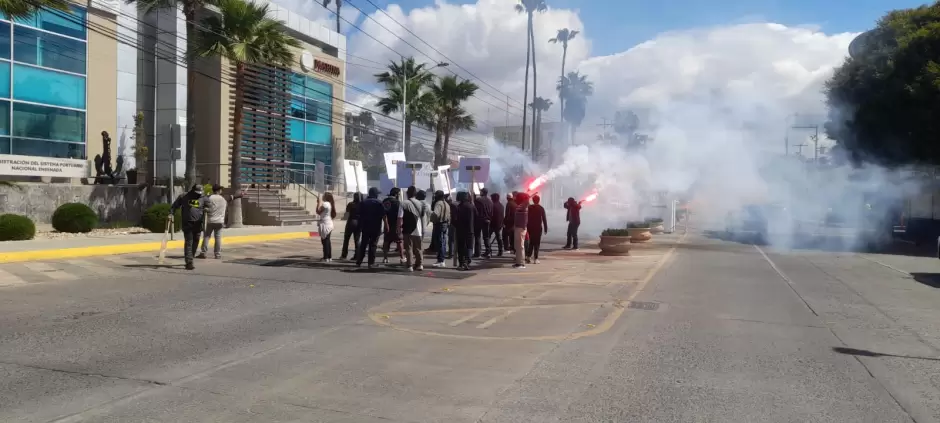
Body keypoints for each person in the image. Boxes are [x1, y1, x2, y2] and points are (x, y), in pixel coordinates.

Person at [197, 184, 243, 260]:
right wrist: (240, 195)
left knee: (207, 237)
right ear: (219, 190)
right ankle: (217, 254)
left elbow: (202, 204)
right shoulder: (224, 198)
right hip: (220, 221)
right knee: (218, 238)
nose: (222, 191)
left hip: (210, 221)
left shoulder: (209, 198)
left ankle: (203, 253)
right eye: (221, 189)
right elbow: (233, 197)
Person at [170, 184, 206, 270]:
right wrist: (171, 213)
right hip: (187, 223)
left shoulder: (203, 197)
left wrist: (208, 209)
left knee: (196, 241)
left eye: (200, 193)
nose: (198, 195)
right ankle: (189, 262)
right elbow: (174, 206)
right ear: (192, 190)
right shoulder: (184, 196)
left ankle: (191, 257)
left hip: (198, 223)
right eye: (197, 193)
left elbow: (210, 206)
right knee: (189, 242)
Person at [400, 186, 430, 271]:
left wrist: (398, 228)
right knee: (418, 248)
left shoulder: (403, 203)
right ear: (415, 194)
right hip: (419, 229)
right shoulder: (421, 204)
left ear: (407, 193)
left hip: (408, 229)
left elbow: (400, 217)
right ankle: (419, 264)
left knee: (408, 248)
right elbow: (424, 216)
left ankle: (409, 266)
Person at [356, 187, 385, 268]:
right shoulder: (379, 203)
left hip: (365, 226)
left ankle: (359, 261)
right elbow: (384, 215)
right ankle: (371, 263)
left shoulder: (363, 202)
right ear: (375, 194)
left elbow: (358, 214)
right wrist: (386, 225)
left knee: (363, 244)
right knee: (373, 244)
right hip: (375, 227)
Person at [382, 188, 405, 264]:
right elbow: (400, 216)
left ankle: (385, 258)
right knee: (399, 241)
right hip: (396, 224)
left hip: (387, 224)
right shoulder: (398, 203)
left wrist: (386, 224)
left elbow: (383, 214)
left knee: (386, 241)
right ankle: (402, 258)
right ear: (396, 194)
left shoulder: (385, 201)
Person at [454, 191, 476, 270]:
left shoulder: (458, 207)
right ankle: (467, 261)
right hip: (470, 230)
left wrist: (456, 226)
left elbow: (454, 219)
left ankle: (461, 263)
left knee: (461, 247)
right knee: (469, 246)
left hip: (460, 230)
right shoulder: (472, 206)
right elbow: (477, 217)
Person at [526, 194, 549, 264]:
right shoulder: (541, 208)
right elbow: (544, 219)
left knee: (531, 243)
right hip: (538, 228)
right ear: (539, 200)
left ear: (533, 200)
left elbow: (526, 217)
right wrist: (545, 228)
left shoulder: (529, 207)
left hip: (530, 227)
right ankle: (536, 258)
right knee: (537, 243)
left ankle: (528, 257)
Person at [431, 190, 451, 267]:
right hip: (445, 224)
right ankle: (442, 259)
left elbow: (436, 214)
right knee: (443, 242)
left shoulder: (438, 204)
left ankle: (440, 260)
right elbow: (449, 215)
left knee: (439, 242)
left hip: (439, 224)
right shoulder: (446, 204)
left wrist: (431, 219)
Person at [340, 192, 362, 260]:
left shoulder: (350, 204)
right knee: (357, 240)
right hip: (358, 223)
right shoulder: (362, 205)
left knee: (346, 239)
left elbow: (346, 214)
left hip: (351, 222)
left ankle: (344, 255)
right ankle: (357, 255)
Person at [473, 188, 494, 258]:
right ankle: (488, 251)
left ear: (482, 192)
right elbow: (492, 212)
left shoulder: (478, 200)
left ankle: (477, 253)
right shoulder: (490, 201)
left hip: (479, 220)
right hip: (487, 220)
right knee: (486, 237)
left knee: (478, 236)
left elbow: (476, 211)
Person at [317, 192, 337, 261]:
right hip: (328, 223)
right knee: (327, 240)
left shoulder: (325, 204)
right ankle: (329, 256)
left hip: (325, 224)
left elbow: (318, 211)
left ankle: (326, 257)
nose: (322, 196)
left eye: (323, 195)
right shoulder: (329, 204)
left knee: (325, 241)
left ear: (326, 197)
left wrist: (318, 203)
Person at [513, 192, 530, 269]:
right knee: (518, 246)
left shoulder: (522, 206)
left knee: (520, 246)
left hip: (520, 228)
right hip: (519, 227)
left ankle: (521, 263)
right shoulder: (522, 206)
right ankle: (518, 262)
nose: (515, 199)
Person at [489, 192, 505, 257]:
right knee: (499, 238)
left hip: (492, 224)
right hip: (499, 224)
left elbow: (491, 215)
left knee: (487, 237)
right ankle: (500, 250)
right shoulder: (501, 205)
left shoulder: (492, 205)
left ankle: (488, 250)